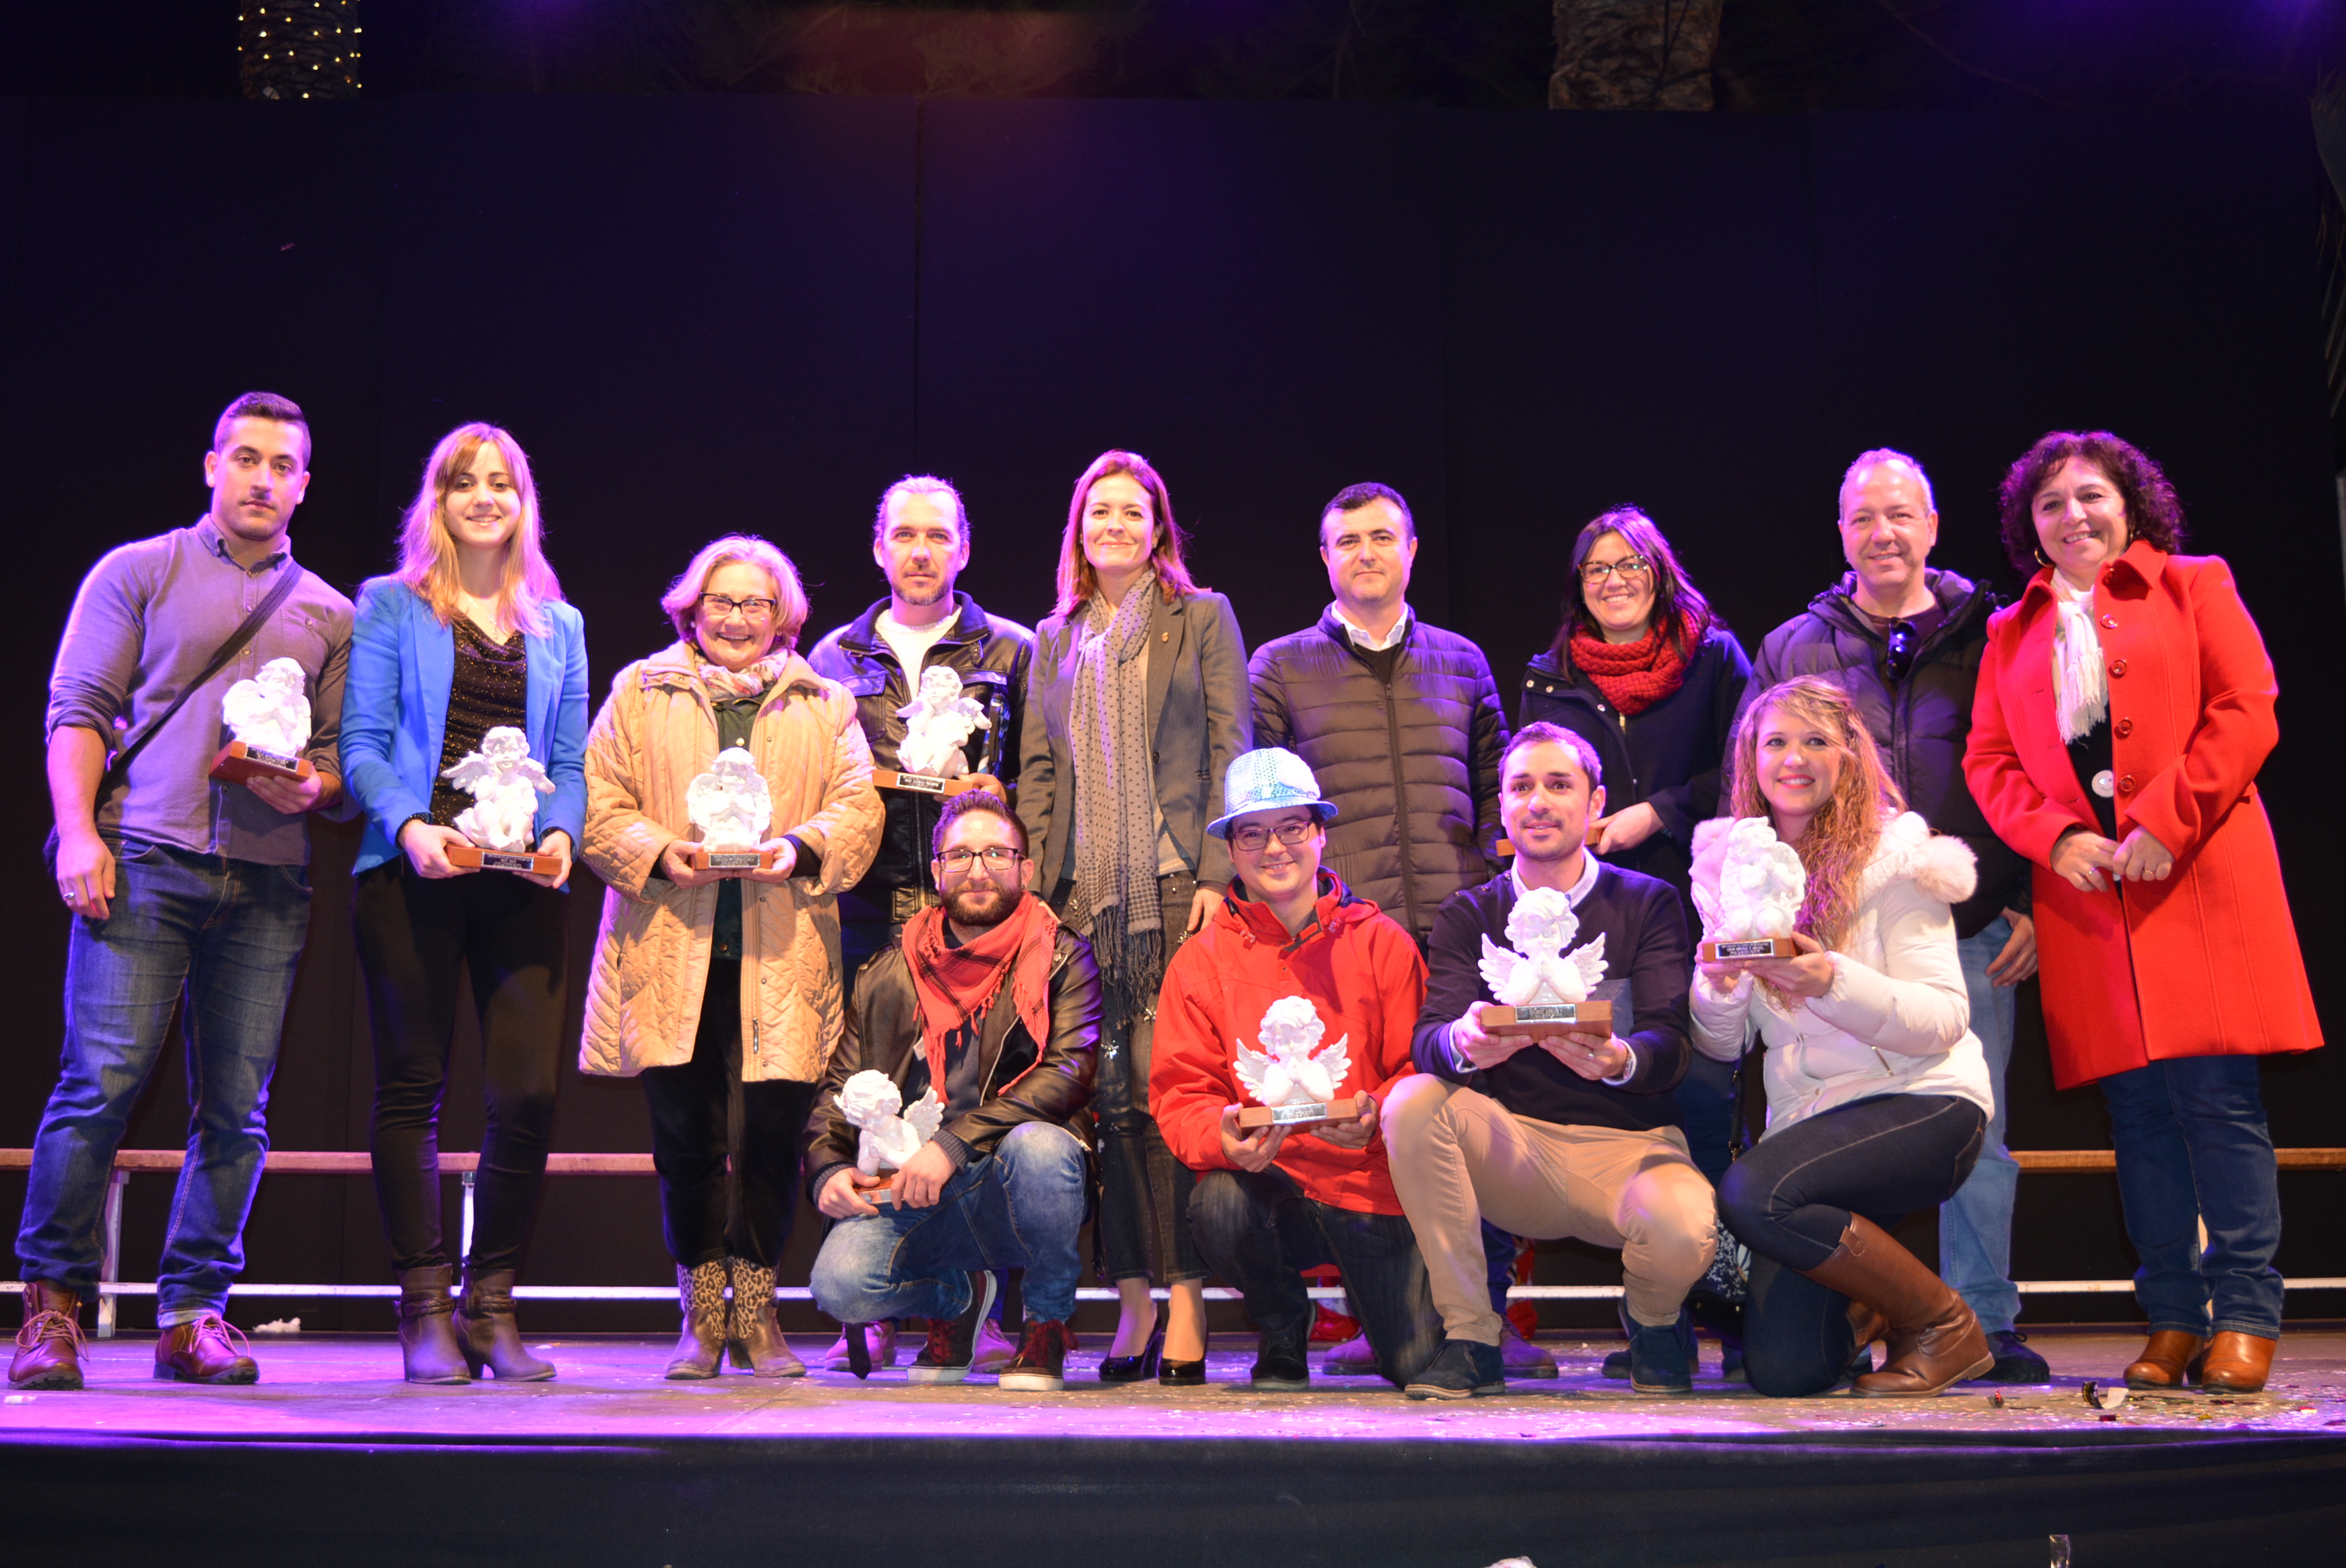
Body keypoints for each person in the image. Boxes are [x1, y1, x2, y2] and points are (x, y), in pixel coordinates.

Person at [1966, 432, 2321, 1396]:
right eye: (2049, 504)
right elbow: (1988, 764)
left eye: (2090, 495)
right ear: (2026, 527)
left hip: (2196, 874)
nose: (2072, 515)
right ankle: (2171, 1315)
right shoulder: (2010, 631)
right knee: (2139, 1118)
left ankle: (2245, 1313)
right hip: (2088, 899)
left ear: (2130, 502)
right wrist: (2056, 839)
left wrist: (2169, 817)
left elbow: (2248, 706)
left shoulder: (2196, 583)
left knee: (2216, 1101)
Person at [13, 392, 354, 1392]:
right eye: (245, 457)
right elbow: (77, 708)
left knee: (237, 1111)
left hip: (267, 880)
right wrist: (79, 833)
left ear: (302, 483)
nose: (261, 477)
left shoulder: (330, 611)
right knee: (99, 1083)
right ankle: (54, 1310)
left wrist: (315, 785)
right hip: (145, 859)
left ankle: (193, 1312)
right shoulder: (138, 569)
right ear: (212, 465)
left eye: (282, 464)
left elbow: (336, 770)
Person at [1743, 449, 2044, 1385]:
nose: (1882, 532)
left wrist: (2026, 893)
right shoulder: (1796, 642)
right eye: (1862, 517)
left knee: (1974, 1137)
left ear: (1931, 524)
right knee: (1788, 1346)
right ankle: (1879, 1302)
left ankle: (1975, 1321)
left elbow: (2029, 763)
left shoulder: (1989, 632)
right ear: (1840, 532)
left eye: (1899, 514)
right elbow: (1765, 759)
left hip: (1965, 907)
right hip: (1826, 947)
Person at [1246, 485, 1536, 1375]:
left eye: (1381, 537)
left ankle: (1484, 1318)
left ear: (1411, 549)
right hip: (1344, 938)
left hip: (1456, 930)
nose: (1365, 552)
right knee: (1369, 1127)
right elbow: (1262, 800)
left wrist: (1498, 894)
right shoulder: (1280, 665)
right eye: (1346, 541)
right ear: (1324, 558)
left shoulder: (1463, 659)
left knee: (1476, 1121)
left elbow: (1500, 780)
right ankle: (1390, 1314)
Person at [579, 536, 881, 1380]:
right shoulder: (639, 692)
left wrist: (801, 846)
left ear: (782, 615)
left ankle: (758, 1310)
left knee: (774, 1137)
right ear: (692, 607)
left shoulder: (824, 701)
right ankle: (700, 1314)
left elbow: (858, 808)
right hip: (672, 948)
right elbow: (597, 799)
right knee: (685, 1138)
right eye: (723, 602)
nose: (739, 618)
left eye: (755, 603)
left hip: (781, 952)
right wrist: (657, 850)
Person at [339, 423, 588, 1384]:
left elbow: (566, 761)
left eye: (502, 484)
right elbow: (361, 742)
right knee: (413, 1084)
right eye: (464, 483)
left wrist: (563, 830)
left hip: (520, 879)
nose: (485, 498)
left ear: (524, 504)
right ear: (436, 502)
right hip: (413, 873)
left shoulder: (558, 624)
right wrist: (411, 827)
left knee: (526, 1091)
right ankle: (424, 1304)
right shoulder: (392, 607)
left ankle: (493, 1304)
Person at [1382, 722, 1713, 1398]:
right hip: (1514, 1150)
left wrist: (1619, 1058)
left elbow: (1670, 1042)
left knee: (1683, 1226)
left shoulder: (1649, 902)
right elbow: (1429, 1037)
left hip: (1629, 1150)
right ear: (1501, 806)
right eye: (1521, 787)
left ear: (1595, 804)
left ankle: (1653, 1324)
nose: (1538, 801)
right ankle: (1473, 1337)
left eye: (1559, 785)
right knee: (1411, 1101)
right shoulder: (1467, 913)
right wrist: (1461, 1043)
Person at [1691, 677, 1995, 1397]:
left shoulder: (1897, 858)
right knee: (1788, 1372)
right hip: (1815, 1128)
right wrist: (1719, 989)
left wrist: (1830, 981)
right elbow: (1720, 1048)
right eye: (1776, 742)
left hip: (1924, 1102)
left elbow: (1942, 1020)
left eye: (1815, 741)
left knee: (1753, 1194)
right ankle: (1866, 1302)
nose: (1793, 759)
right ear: (1750, 760)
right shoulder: (1732, 870)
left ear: (1849, 756)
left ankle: (1943, 1322)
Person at [1017, 448, 1251, 1384]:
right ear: (1078, 528)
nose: (1113, 526)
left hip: (1169, 886)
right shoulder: (1054, 634)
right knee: (1108, 1106)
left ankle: (1187, 1295)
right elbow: (1040, 765)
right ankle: (1133, 1301)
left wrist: (1215, 867)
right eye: (1097, 512)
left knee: (1165, 1094)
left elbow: (1234, 742)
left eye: (1131, 512)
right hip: (1081, 897)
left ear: (1158, 528)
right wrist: (1038, 881)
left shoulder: (1201, 618)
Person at [1518, 506, 1752, 1377]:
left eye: (1628, 565)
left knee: (1703, 1114)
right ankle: (1655, 1326)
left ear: (1658, 571)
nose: (1612, 580)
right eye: (1594, 569)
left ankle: (1727, 1317)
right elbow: (1532, 786)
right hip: (1596, 930)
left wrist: (1662, 809)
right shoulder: (1548, 678)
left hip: (1699, 921)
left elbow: (1746, 766)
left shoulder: (1715, 657)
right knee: (1626, 1117)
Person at [807, 474, 1033, 1372]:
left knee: (990, 1089)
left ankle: (1002, 1293)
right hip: (866, 906)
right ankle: (877, 1305)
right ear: (878, 547)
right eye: (904, 534)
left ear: (964, 546)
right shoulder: (832, 657)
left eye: (938, 535)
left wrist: (1000, 801)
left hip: (981, 906)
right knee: (868, 1089)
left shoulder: (1012, 649)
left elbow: (1037, 774)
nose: (921, 550)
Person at [1152, 749, 1442, 1390]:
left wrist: (1376, 1116)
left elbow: (1420, 1068)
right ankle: (1283, 1325)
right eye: (1252, 832)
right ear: (1232, 851)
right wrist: (1220, 1133)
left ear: (1320, 835)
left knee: (1417, 1368)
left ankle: (1385, 1317)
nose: (1274, 847)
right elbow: (1182, 1092)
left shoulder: (1381, 941)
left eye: (1291, 827)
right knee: (1216, 1204)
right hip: (1273, 1181)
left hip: (1373, 1185)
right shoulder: (1197, 962)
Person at [805, 790, 1099, 1392]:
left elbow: (1069, 1072)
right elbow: (839, 1086)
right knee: (840, 1286)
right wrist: (827, 1167)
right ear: (936, 870)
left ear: (1025, 867)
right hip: (913, 1189)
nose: (978, 869)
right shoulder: (888, 970)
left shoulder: (1064, 955)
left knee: (1042, 1147)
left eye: (997, 853)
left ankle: (1045, 1322)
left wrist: (952, 1145)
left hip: (1006, 1181)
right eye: (960, 856)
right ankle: (957, 1299)